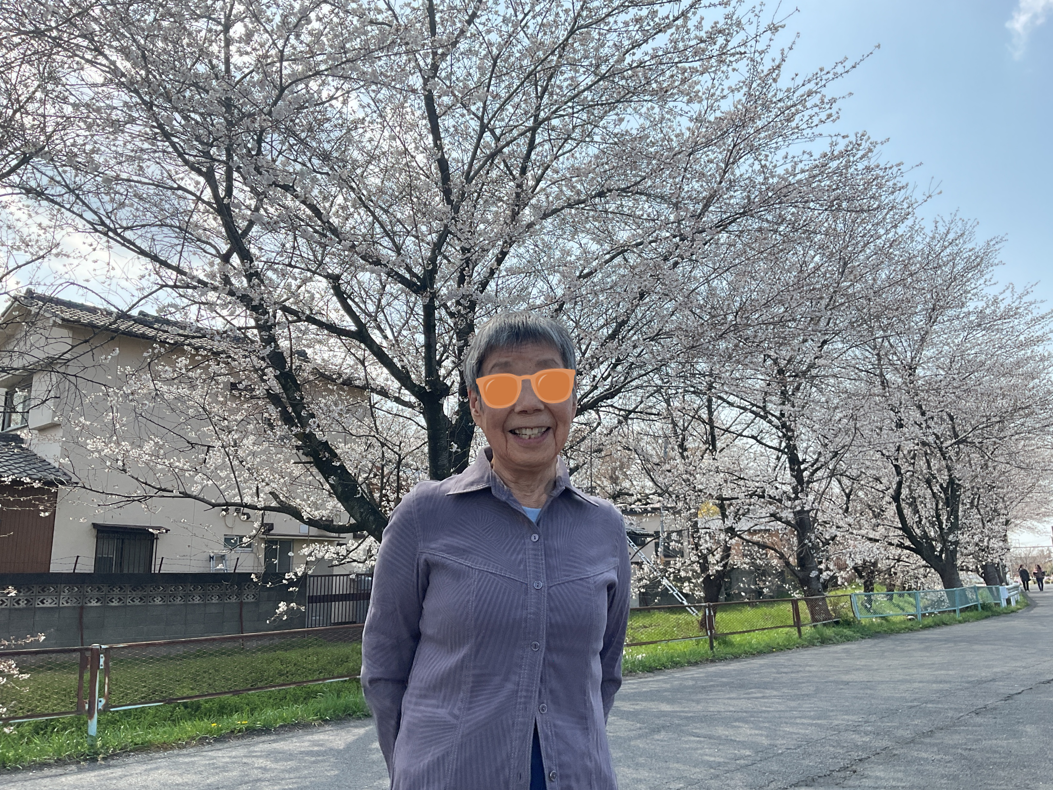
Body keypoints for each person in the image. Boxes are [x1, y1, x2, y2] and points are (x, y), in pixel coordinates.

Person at [361, 312, 631, 790]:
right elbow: (384, 669)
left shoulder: (604, 526)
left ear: (572, 397)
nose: (529, 404)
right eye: (503, 386)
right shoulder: (425, 515)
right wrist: (417, 770)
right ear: (476, 405)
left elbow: (605, 673)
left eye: (550, 381)